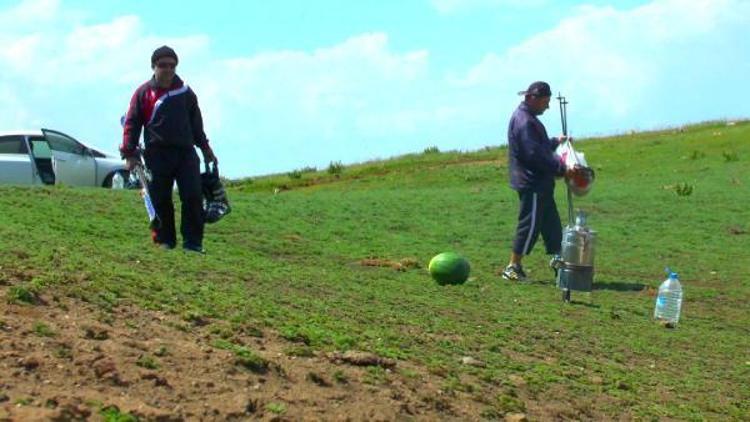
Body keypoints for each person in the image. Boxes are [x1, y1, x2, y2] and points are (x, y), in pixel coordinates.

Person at [120, 45, 217, 254]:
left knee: (192, 196)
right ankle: (165, 242)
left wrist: (206, 149)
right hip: (156, 154)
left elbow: (197, 126)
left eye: (172, 66)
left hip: (185, 154)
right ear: (154, 66)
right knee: (160, 199)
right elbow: (132, 123)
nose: (168, 69)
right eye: (163, 65)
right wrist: (129, 153)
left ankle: (193, 243)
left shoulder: (186, 93)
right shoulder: (143, 93)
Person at [501, 81, 578, 281]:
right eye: (545, 101)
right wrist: (561, 169)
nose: (548, 106)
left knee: (550, 222)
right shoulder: (525, 121)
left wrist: (555, 142)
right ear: (532, 98)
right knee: (530, 224)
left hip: (539, 182)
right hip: (532, 181)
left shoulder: (528, 118)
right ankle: (513, 267)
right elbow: (534, 154)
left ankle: (558, 259)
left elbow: (539, 146)